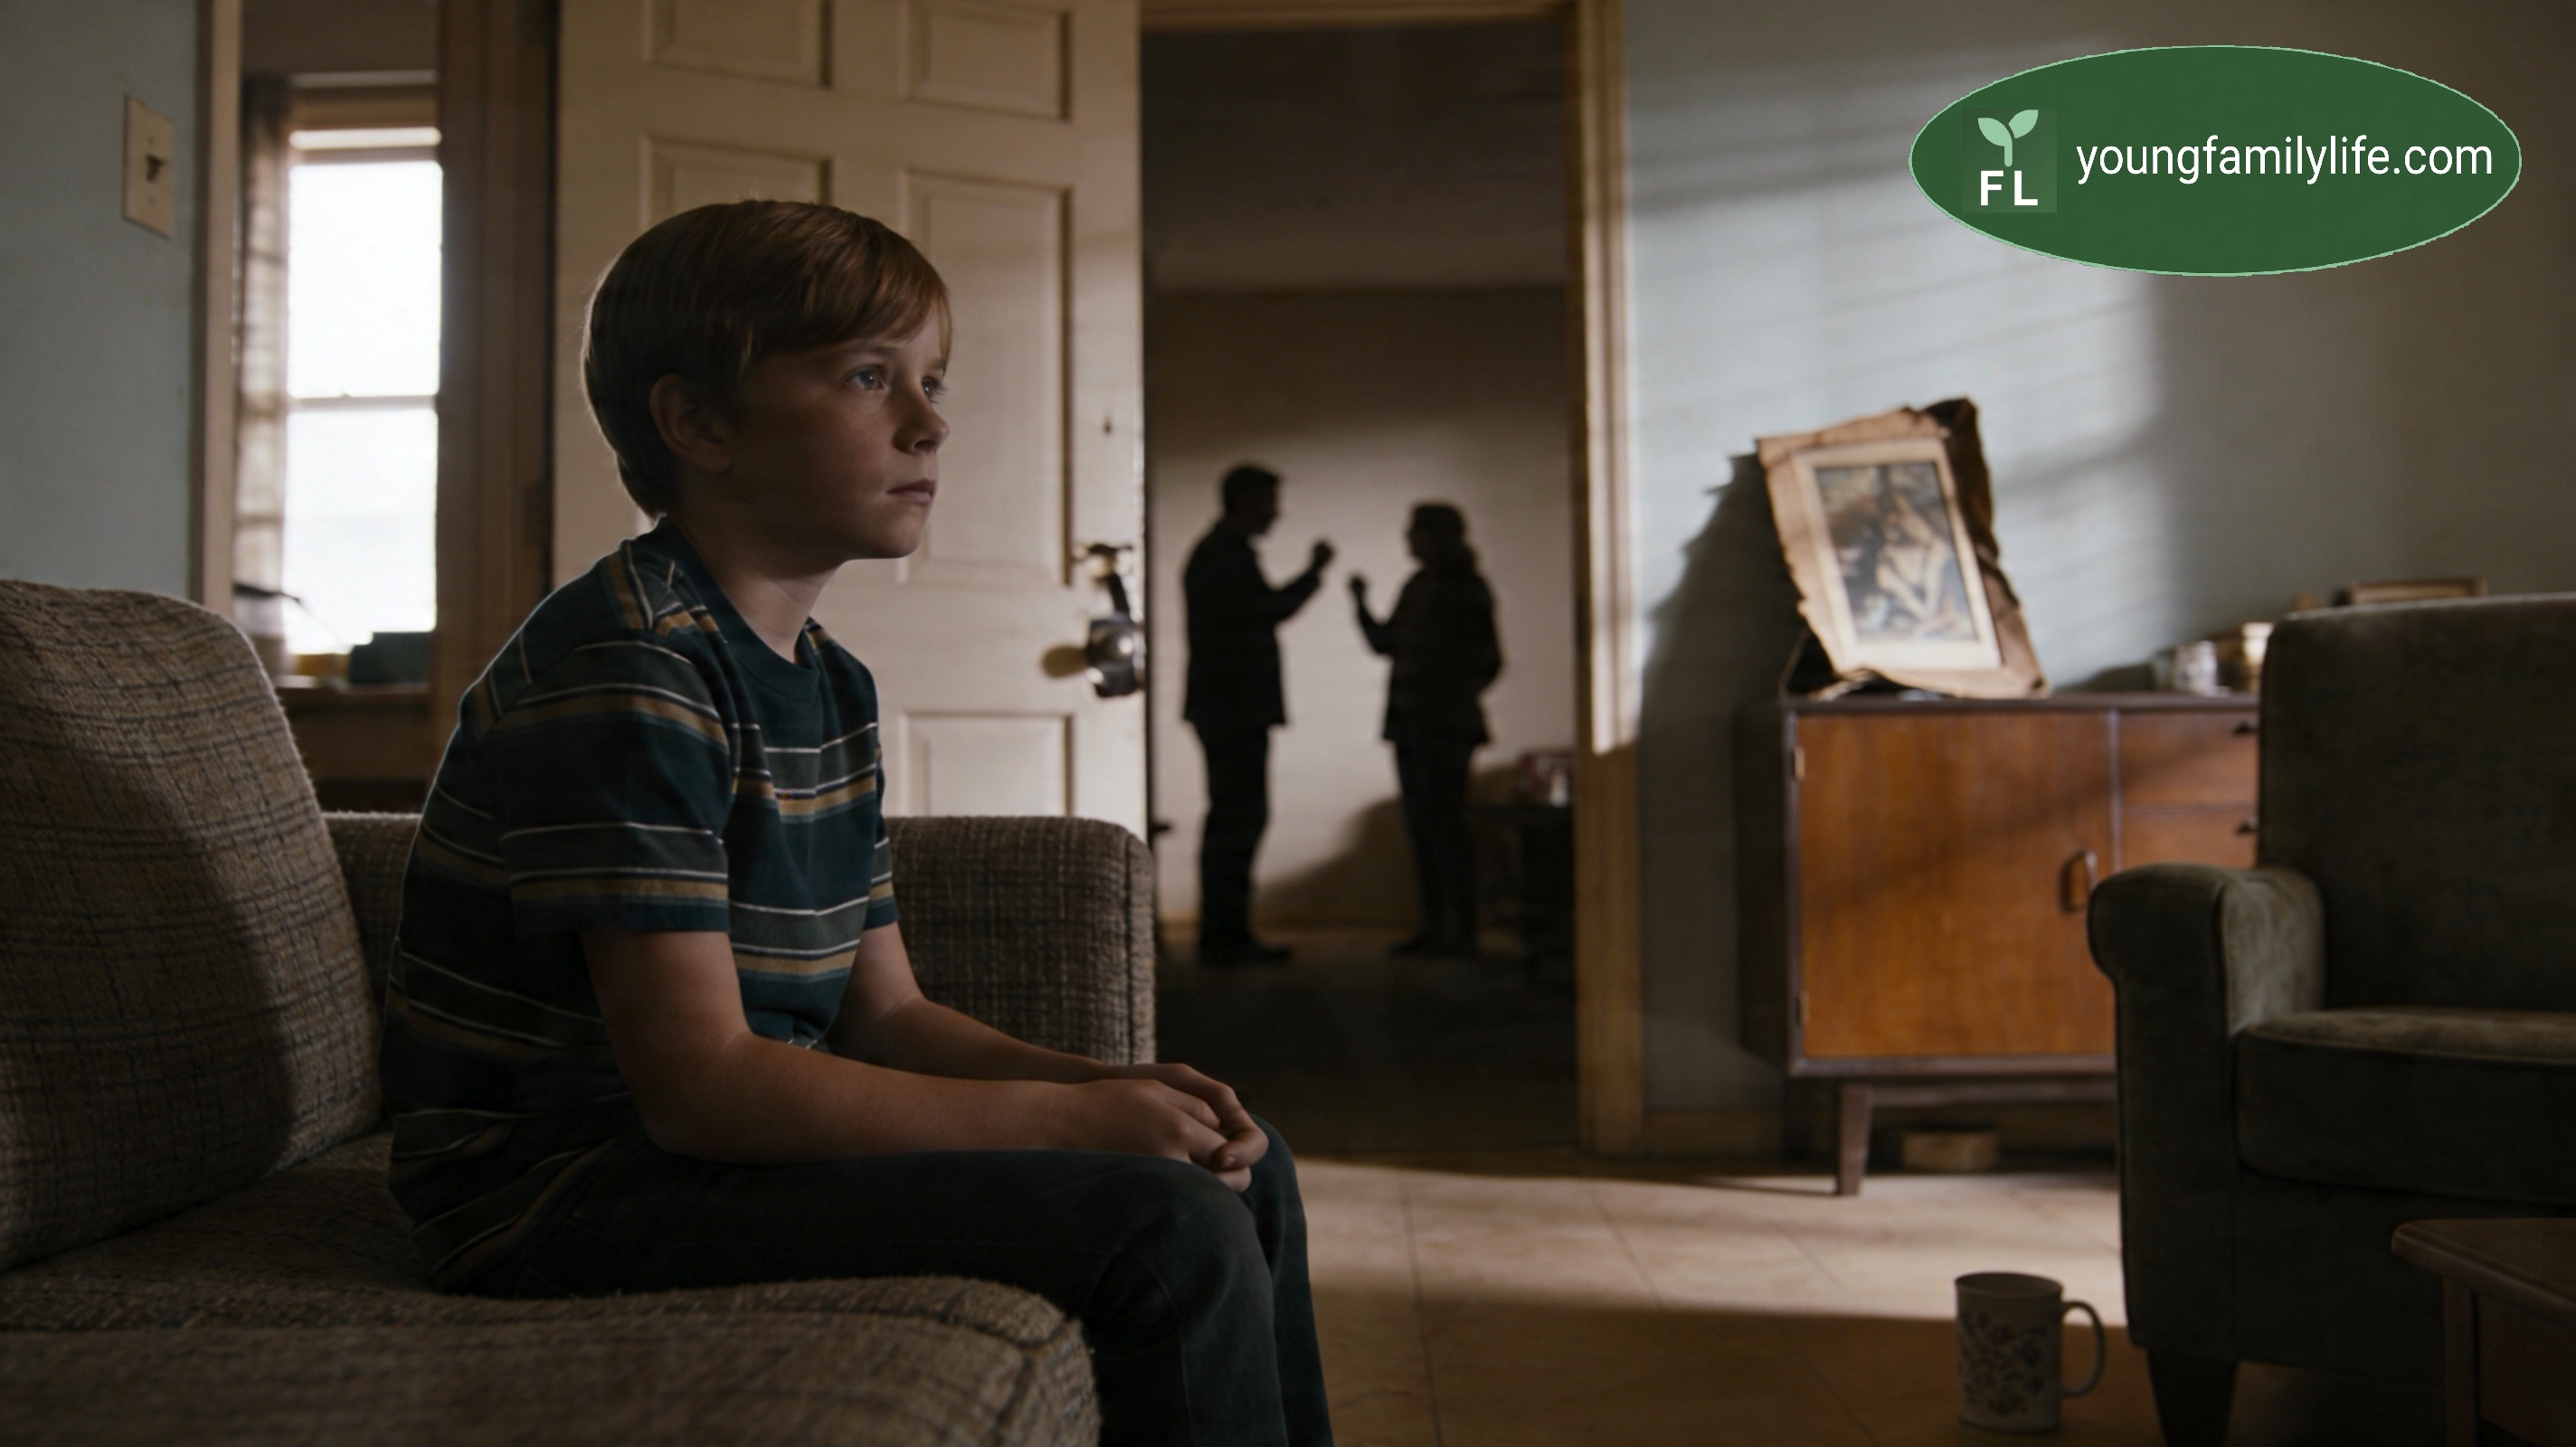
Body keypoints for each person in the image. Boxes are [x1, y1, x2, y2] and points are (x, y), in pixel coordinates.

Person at [378, 201, 1332, 1447]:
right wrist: (1076, 1126)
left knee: (1247, 1169)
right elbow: (701, 1091)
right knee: (1169, 1226)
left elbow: (884, 1014)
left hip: (692, 1150)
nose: (930, 423)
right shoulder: (630, 667)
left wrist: (1119, 1086)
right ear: (699, 422)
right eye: (868, 377)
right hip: (561, 1188)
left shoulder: (828, 681)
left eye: (930, 380)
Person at [1182, 464, 1332, 966]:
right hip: (1233, 708)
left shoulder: (1220, 553)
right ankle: (1226, 936)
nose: (1276, 512)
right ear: (1245, 501)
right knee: (1238, 818)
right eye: (1268, 500)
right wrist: (1314, 573)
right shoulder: (1224, 556)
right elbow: (1266, 610)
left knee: (1234, 816)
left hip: (1228, 707)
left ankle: (1226, 933)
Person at [1349, 504, 1502, 957]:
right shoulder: (1419, 586)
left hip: (1442, 729)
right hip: (1413, 727)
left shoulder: (1466, 589)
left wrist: (1447, 697)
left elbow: (1487, 659)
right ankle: (1438, 927)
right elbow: (1386, 642)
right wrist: (1359, 602)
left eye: (1416, 531)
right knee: (1424, 827)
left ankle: (1461, 930)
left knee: (1445, 827)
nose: (1408, 539)